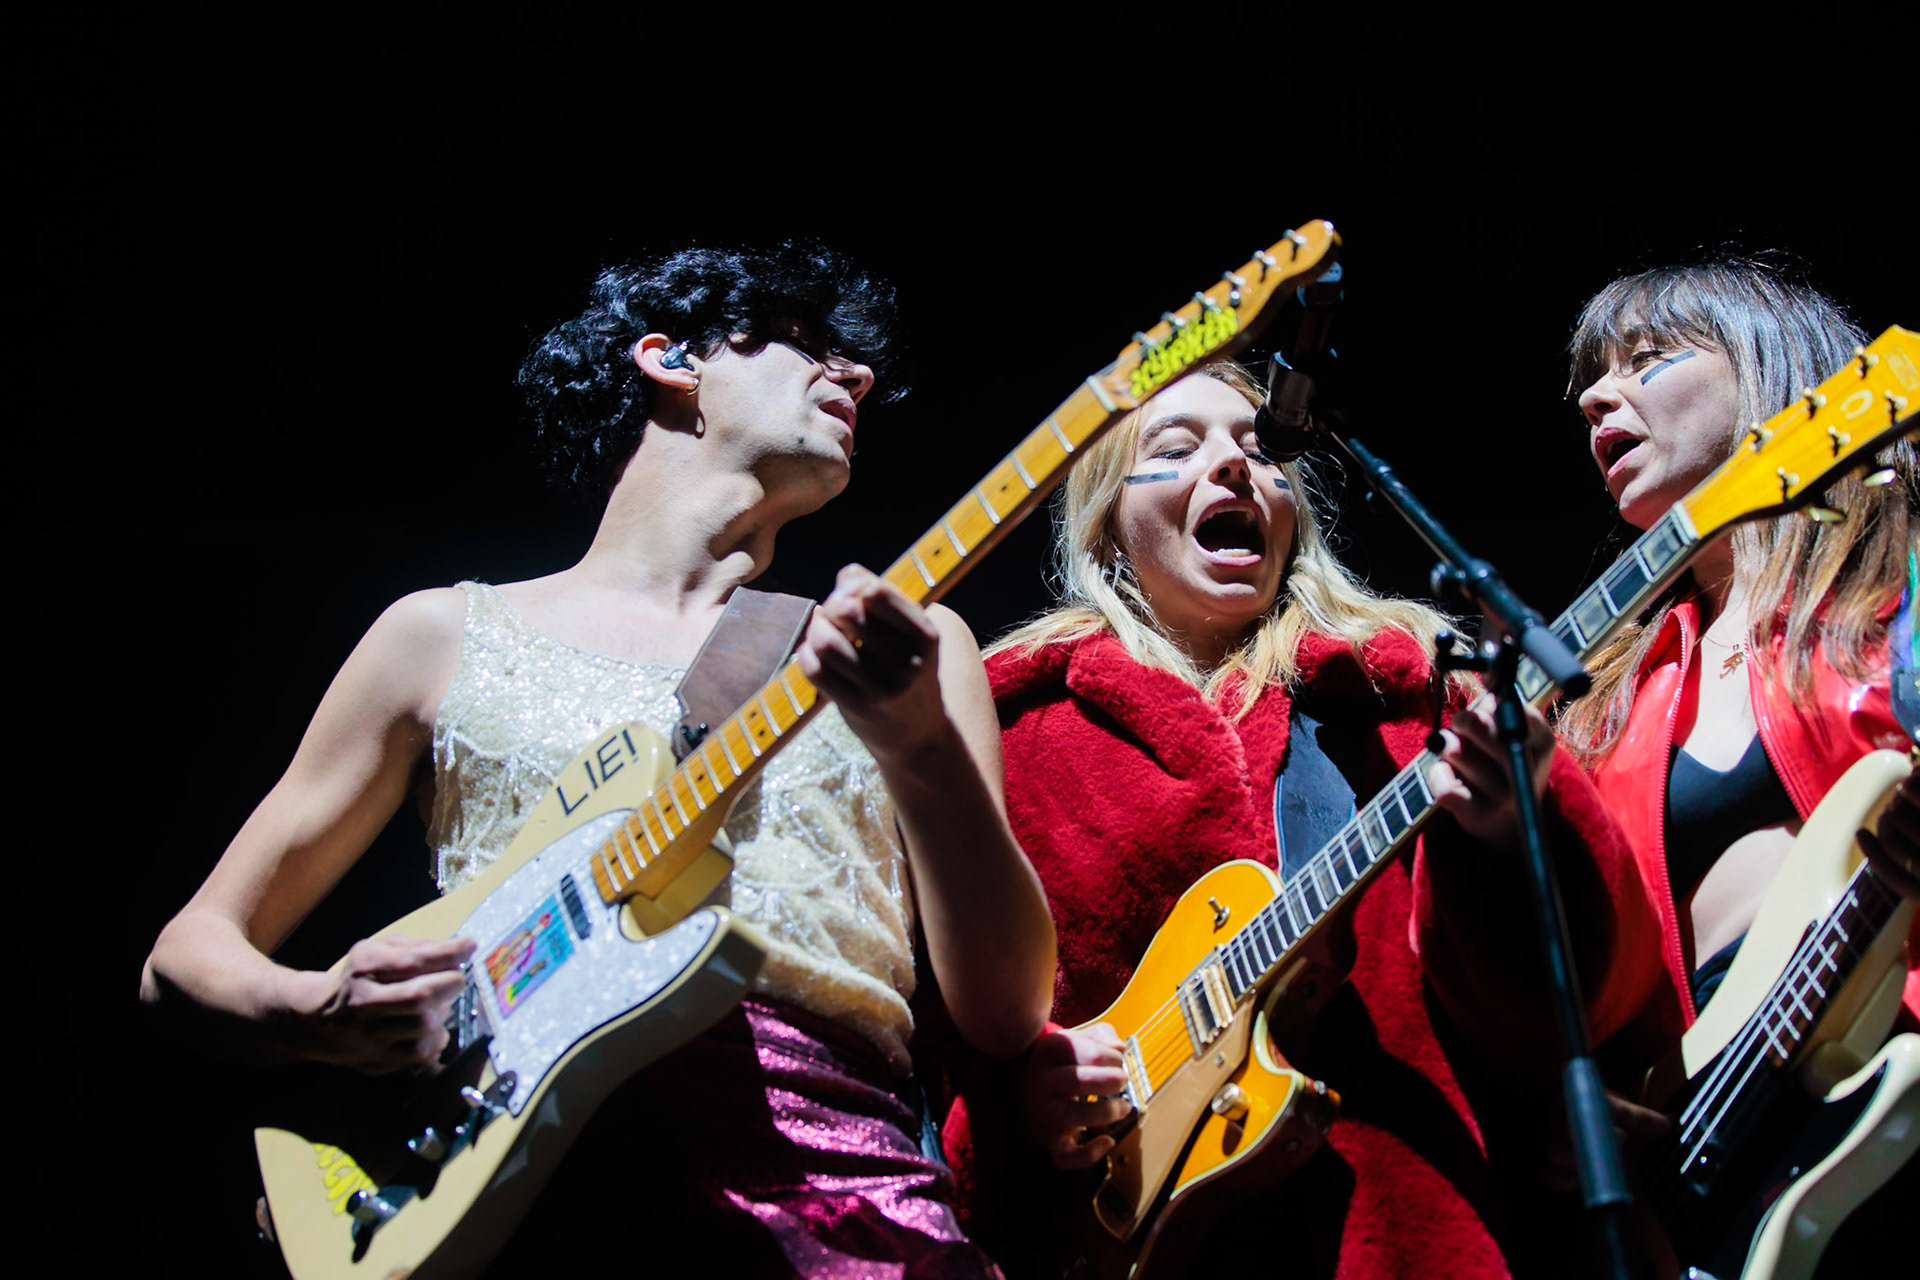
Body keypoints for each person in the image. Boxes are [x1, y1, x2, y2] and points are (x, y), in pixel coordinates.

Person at [139, 243, 1056, 1277]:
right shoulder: (440, 634)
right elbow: (186, 955)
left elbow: (1009, 1004)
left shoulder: (912, 650)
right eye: (805, 344)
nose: (856, 377)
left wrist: (922, 744)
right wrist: (318, 1011)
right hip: (504, 1194)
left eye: (856, 364)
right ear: (669, 359)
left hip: (834, 1199)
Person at [940, 360, 1651, 1279]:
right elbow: (932, 1016)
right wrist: (1019, 1090)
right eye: (1176, 447)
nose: (1235, 466)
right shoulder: (1019, 730)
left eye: (1260, 449)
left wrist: (1518, 833)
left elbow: (1569, 998)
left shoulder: (1403, 694)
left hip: (1391, 1229)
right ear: (1110, 520)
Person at [1560, 259, 1919, 1265]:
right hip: (1715, 1154)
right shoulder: (1610, 690)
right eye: (1594, 375)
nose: (1596, 395)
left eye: (1650, 358)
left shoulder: (1898, 606)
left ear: (1775, 379)